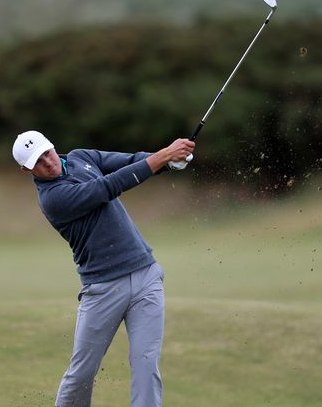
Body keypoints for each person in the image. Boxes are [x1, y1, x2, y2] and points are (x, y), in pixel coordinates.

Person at [12, 130, 195, 407]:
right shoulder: (53, 199)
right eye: (37, 162)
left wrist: (171, 162)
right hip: (103, 289)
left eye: (47, 153)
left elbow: (131, 162)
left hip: (146, 274)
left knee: (146, 366)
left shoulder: (81, 157)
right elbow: (108, 187)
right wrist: (163, 156)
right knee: (82, 373)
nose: (47, 162)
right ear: (27, 170)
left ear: (53, 146)